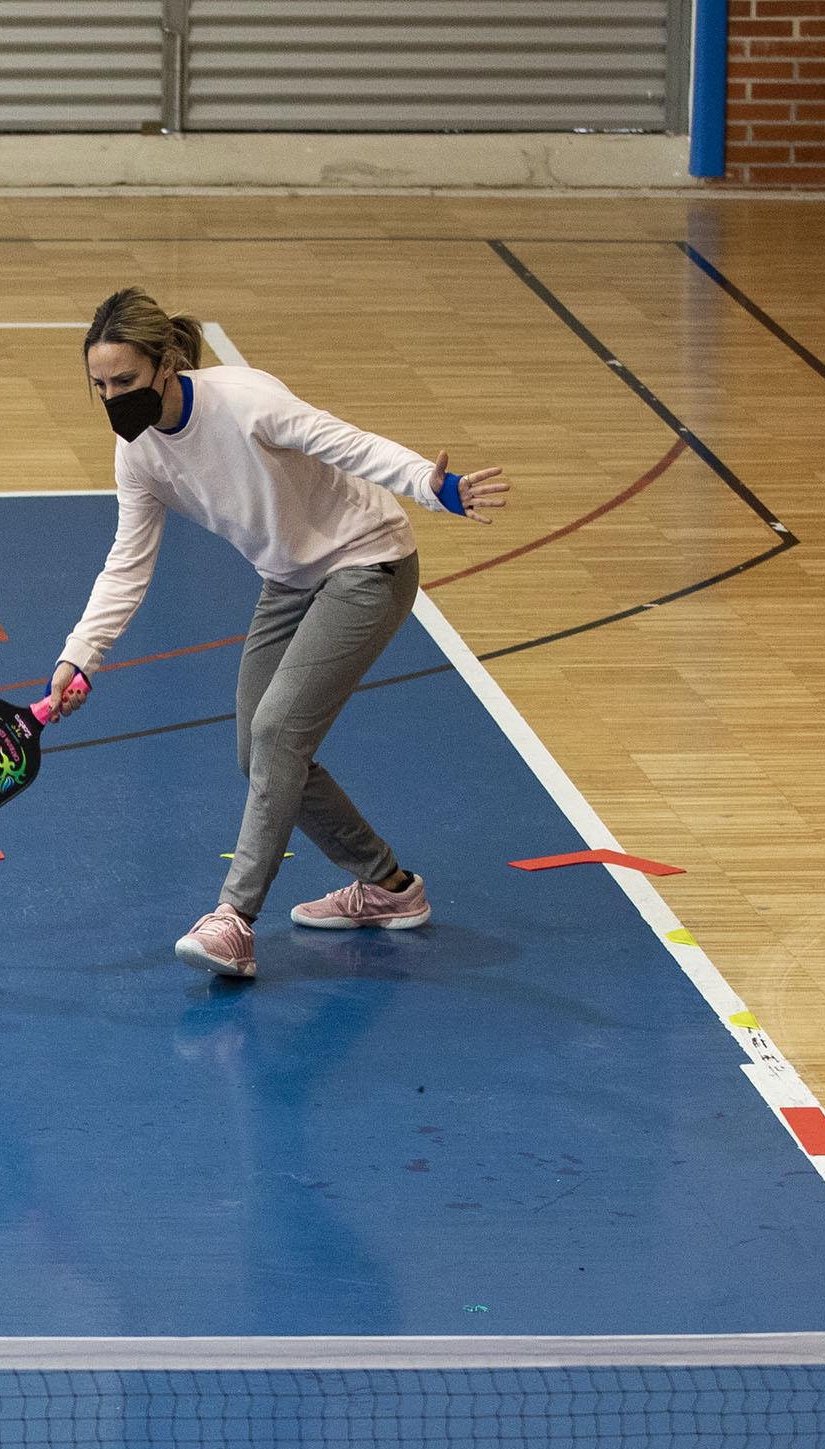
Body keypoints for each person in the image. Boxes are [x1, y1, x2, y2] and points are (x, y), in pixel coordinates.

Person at [49, 289, 508, 982]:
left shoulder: (244, 401)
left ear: (166, 364)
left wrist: (429, 484)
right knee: (257, 750)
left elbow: (344, 441)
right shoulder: (138, 454)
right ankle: (385, 886)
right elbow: (126, 564)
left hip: (367, 564)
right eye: (100, 386)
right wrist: (79, 656)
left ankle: (233, 921)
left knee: (276, 735)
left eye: (125, 382)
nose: (114, 399)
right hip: (289, 580)